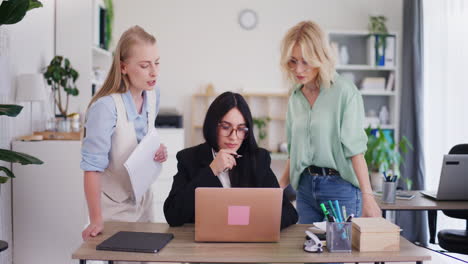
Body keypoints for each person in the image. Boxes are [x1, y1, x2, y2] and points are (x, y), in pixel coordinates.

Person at [278, 20, 381, 224]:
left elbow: (355, 150)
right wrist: (277, 188)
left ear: (320, 58)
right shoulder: (295, 97)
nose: (298, 69)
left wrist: (368, 197)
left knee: (335, 254)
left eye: (306, 61)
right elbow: (294, 151)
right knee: (307, 254)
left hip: (340, 188)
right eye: (292, 61)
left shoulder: (344, 92)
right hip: (305, 189)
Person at [80, 25, 168, 240]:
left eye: (156, 63)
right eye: (145, 65)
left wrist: (158, 150)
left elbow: (142, 139)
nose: (154, 72)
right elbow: (92, 168)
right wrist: (96, 219)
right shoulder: (106, 108)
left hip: (143, 199)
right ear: (123, 67)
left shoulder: (153, 95)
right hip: (114, 205)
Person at [164, 92, 298, 229]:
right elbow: (173, 215)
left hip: (249, 242)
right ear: (212, 126)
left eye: (241, 129)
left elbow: (289, 213)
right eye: (226, 127)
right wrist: (212, 170)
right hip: (204, 246)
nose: (234, 137)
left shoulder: (258, 159)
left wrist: (250, 220)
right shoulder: (189, 158)